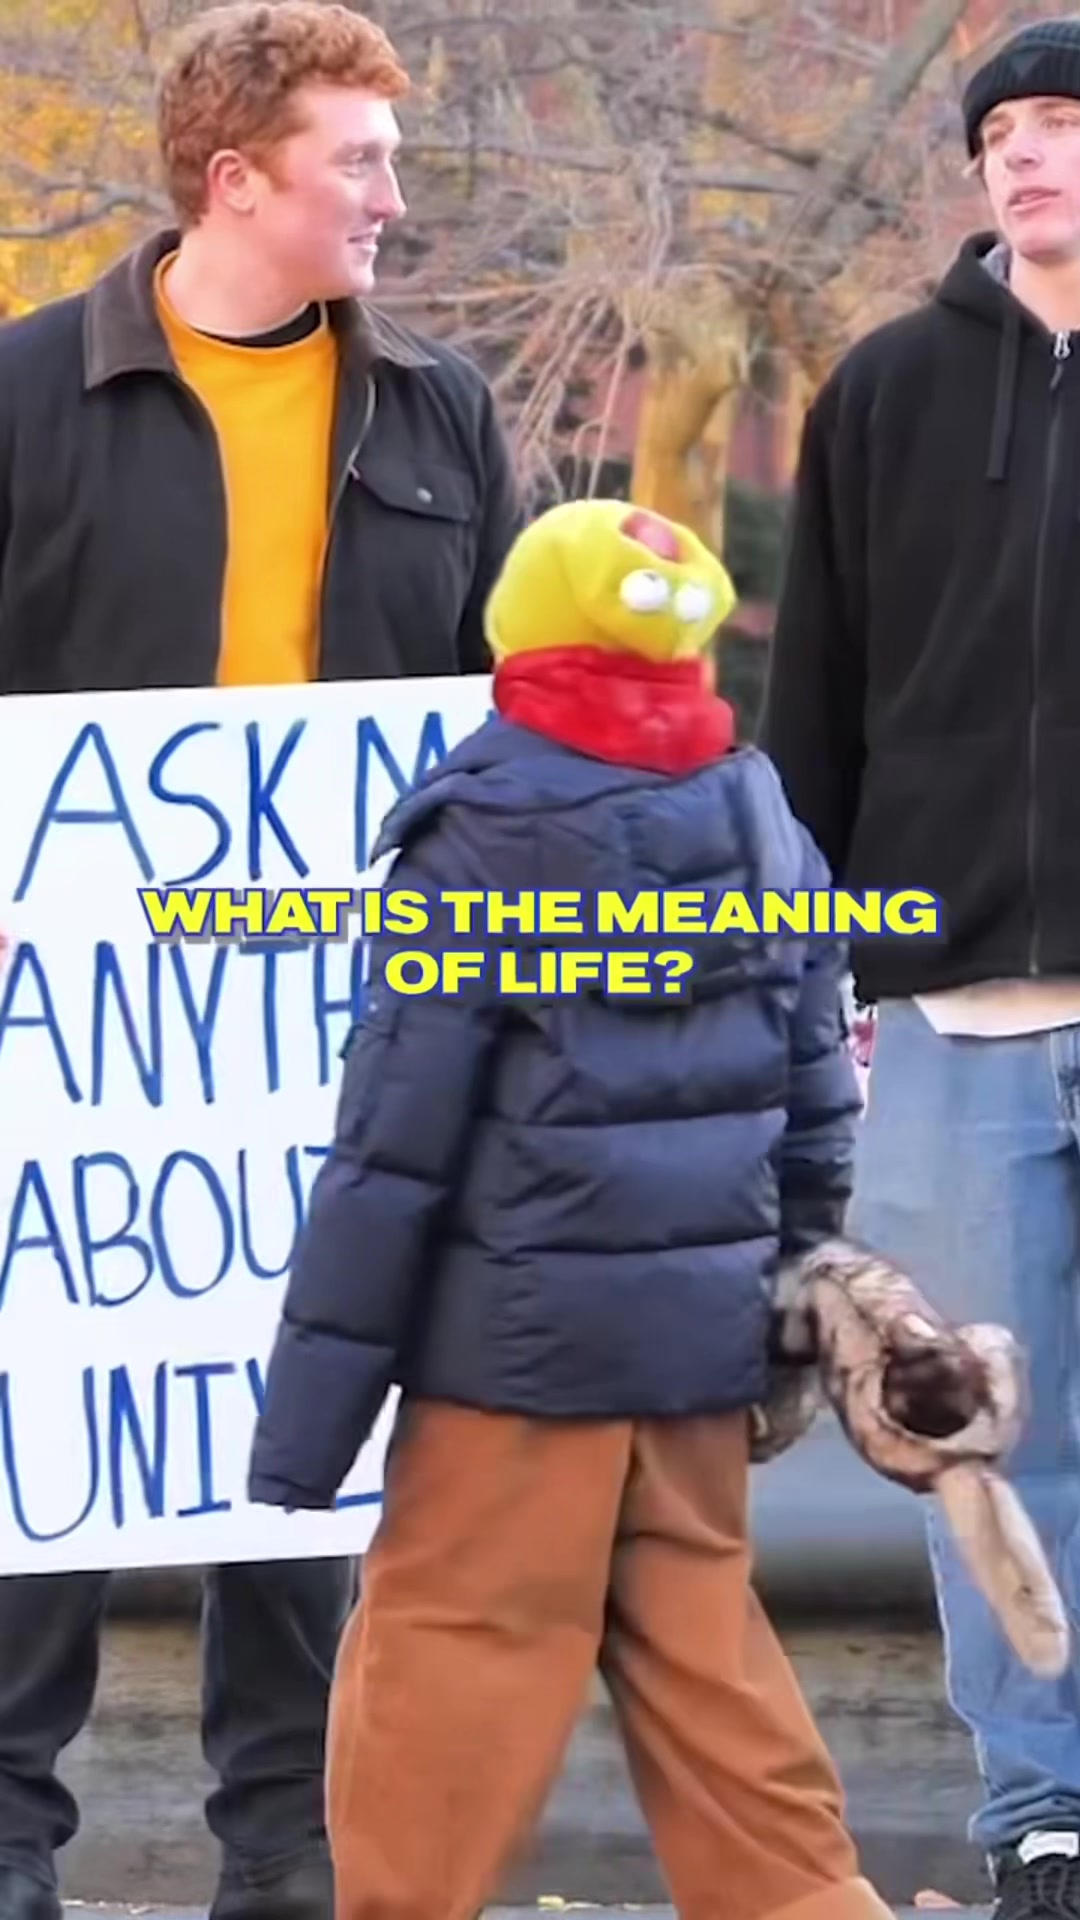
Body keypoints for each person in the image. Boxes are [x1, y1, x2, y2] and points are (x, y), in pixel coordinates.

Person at [0, 5, 520, 1918]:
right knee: (54, 1415)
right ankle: (7, 1839)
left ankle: (291, 1854)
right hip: (64, 1028)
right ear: (236, 179)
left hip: (345, 1018)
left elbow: (507, 703)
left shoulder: (440, 410)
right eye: (358, 160)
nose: (395, 195)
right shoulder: (25, 392)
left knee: (305, 1427)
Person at [246, 496, 896, 1920]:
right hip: (696, 1360)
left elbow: (392, 1155)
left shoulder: (479, 831)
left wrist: (305, 1433)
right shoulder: (766, 823)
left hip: (512, 1367)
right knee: (711, 1674)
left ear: (525, 631)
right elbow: (817, 1116)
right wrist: (785, 1322)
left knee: (447, 1669)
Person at [758, 17, 1080, 1918]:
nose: (1023, 153)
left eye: (1060, 123)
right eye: (1002, 130)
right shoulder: (883, 391)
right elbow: (815, 703)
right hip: (951, 1020)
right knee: (982, 1437)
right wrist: (812, 974)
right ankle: (1045, 1813)